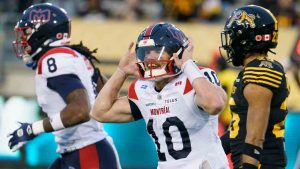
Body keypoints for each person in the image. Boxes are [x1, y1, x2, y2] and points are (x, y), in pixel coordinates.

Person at [90, 22, 229, 169]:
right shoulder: (142, 89)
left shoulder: (196, 77)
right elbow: (99, 112)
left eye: (157, 51)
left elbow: (215, 104)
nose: (149, 57)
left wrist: (188, 64)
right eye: (146, 52)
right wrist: (121, 72)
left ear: (178, 52)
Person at [8, 3, 120, 169]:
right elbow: (106, 96)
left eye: (27, 33)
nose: (23, 40)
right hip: (81, 151)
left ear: (43, 31)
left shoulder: (54, 58)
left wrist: (33, 129)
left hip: (87, 153)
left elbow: (80, 110)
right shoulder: (74, 55)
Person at [219, 5, 290, 169]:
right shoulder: (255, 69)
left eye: (233, 37)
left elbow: (255, 136)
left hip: (260, 164)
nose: (230, 44)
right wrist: (211, 151)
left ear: (246, 38)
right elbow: (241, 127)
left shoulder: (260, 71)